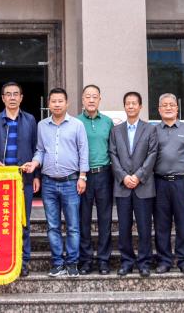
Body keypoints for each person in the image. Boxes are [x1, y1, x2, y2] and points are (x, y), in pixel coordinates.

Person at [25, 87, 89, 279]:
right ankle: (57, 263)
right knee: (52, 226)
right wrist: (34, 163)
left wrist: (83, 176)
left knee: (73, 226)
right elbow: (40, 150)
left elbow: (83, 151)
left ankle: (72, 263)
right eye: (53, 101)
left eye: (60, 101)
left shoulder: (77, 125)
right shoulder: (42, 125)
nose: (57, 104)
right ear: (49, 104)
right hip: (49, 183)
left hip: (71, 182)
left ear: (67, 103)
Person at [0, 81, 39, 277]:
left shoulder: (30, 120)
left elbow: (37, 148)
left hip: (24, 179)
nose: (12, 97)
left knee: (23, 222)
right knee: (1, 222)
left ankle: (23, 262)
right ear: (3, 98)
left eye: (16, 94)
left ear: (21, 97)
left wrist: (36, 175)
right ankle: (3, 260)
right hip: (1, 181)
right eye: (8, 94)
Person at [152, 92, 184, 276]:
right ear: (159, 110)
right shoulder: (153, 131)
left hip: (182, 182)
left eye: (171, 105)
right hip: (159, 183)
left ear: (177, 108)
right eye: (164, 105)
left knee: (183, 224)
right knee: (161, 225)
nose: (168, 108)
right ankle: (164, 261)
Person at [108, 90, 158, 277]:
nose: (130, 106)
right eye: (127, 103)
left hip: (143, 186)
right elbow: (112, 154)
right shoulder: (116, 131)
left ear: (140, 106)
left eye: (134, 103)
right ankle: (126, 262)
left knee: (144, 227)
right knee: (124, 227)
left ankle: (144, 263)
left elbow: (152, 154)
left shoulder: (150, 129)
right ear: (124, 106)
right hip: (122, 187)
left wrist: (138, 176)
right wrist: (123, 176)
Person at [77, 84, 114, 275]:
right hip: (83, 176)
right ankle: (85, 260)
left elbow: (114, 149)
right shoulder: (75, 122)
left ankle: (103, 260)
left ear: (100, 99)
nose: (91, 100)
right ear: (82, 99)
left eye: (95, 96)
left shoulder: (108, 122)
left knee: (105, 219)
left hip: (104, 174)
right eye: (88, 96)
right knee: (83, 219)